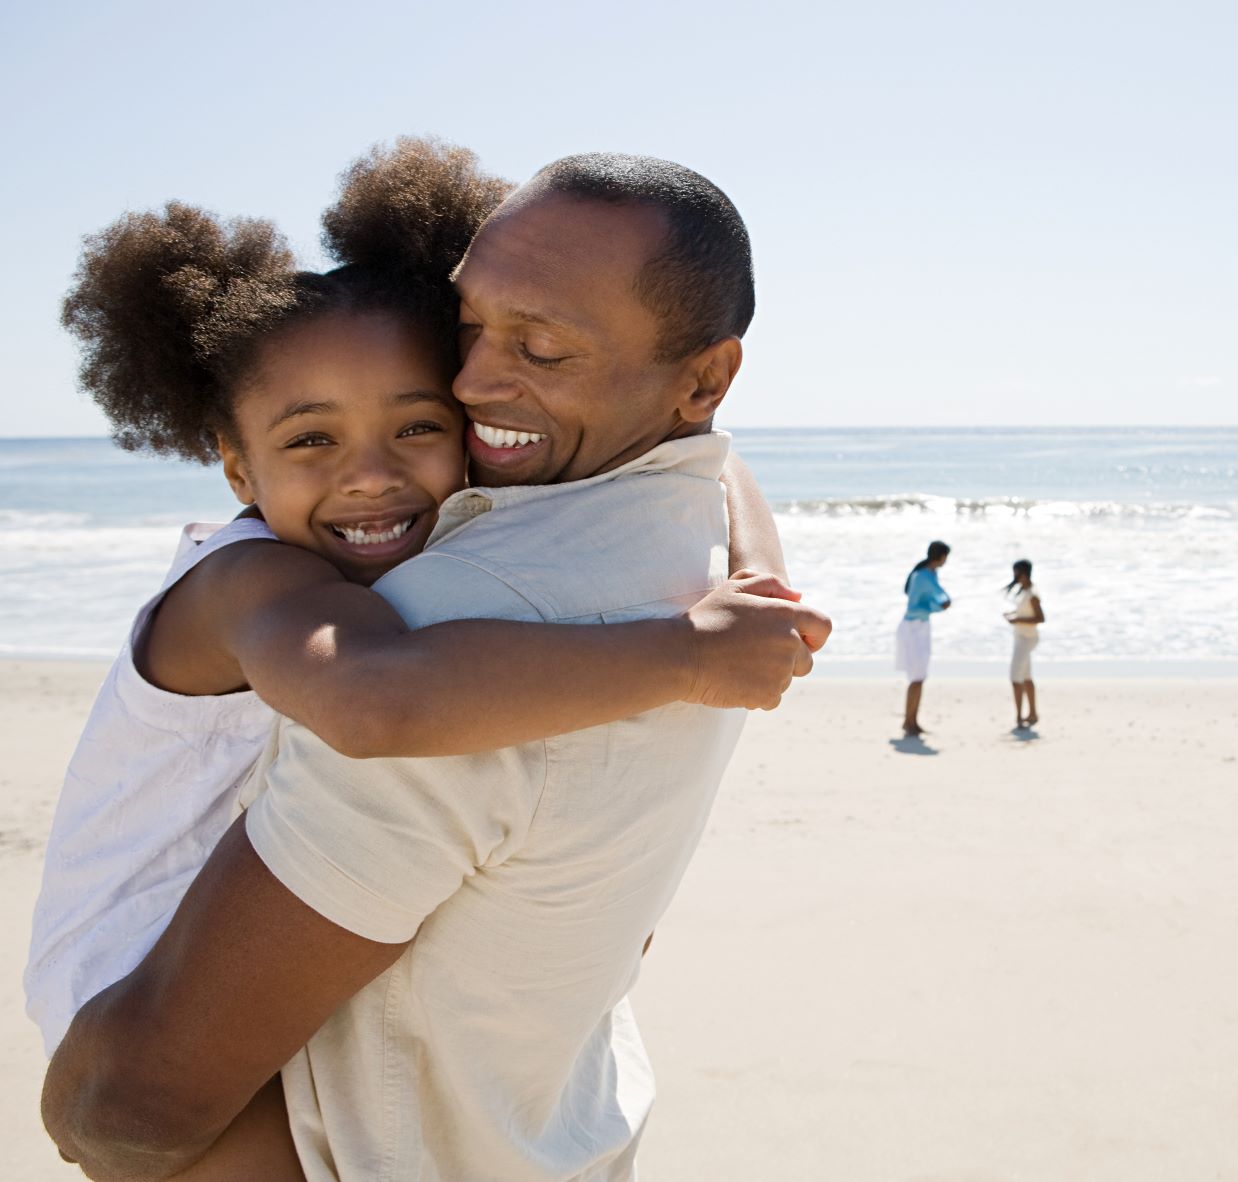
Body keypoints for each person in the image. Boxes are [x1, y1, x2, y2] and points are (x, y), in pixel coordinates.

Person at [43, 151, 832, 1181]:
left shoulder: (485, 580)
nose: (471, 384)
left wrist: (762, 573)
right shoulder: (259, 590)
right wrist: (685, 654)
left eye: (419, 422)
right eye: (471, 332)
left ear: (701, 377)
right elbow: (375, 700)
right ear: (235, 468)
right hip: (121, 966)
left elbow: (722, 458)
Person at [897, 540, 951, 735]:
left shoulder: (927, 574)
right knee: (917, 678)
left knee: (919, 677)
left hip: (920, 626)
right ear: (941, 556)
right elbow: (938, 598)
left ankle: (912, 720)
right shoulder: (923, 576)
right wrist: (941, 605)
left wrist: (940, 604)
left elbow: (937, 597)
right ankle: (908, 721)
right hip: (913, 627)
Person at [1003, 558, 1045, 728]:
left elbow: (1040, 618)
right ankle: (1033, 713)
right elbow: (1024, 611)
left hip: (1027, 639)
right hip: (1020, 637)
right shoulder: (1023, 591)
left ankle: (1019, 717)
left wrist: (1017, 619)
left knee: (1015, 677)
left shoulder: (1032, 594)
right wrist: (1014, 615)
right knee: (1026, 676)